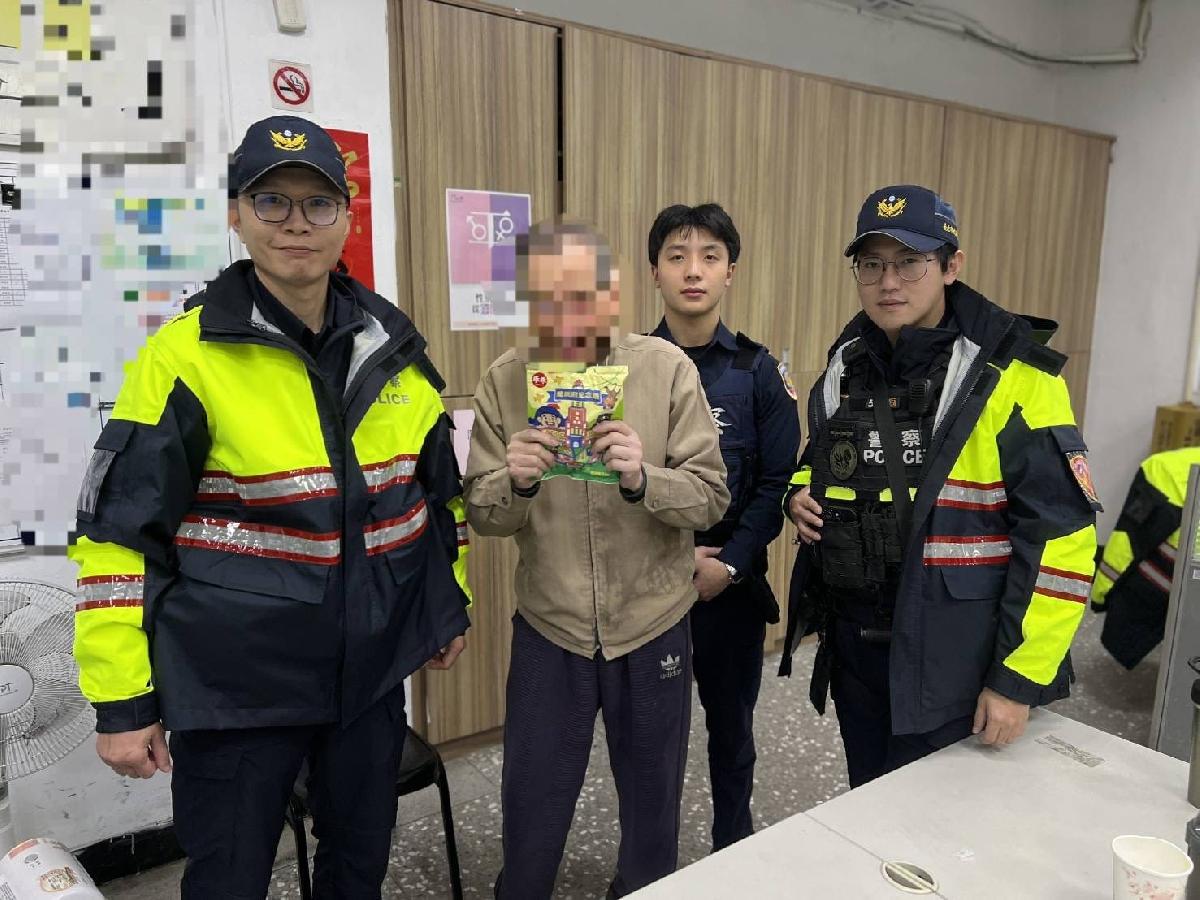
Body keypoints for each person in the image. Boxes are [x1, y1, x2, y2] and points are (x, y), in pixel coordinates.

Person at [68, 115, 471, 897]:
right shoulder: (185, 357)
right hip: (236, 689)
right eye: (270, 201)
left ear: (346, 217)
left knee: (358, 869)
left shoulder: (391, 346)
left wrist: (446, 604)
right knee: (229, 881)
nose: (295, 223)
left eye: (317, 203)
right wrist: (121, 700)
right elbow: (117, 537)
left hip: (368, 680)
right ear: (236, 214)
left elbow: (434, 499)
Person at [780, 185, 1100, 789]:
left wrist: (1017, 680)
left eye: (910, 262)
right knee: (869, 801)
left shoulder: (1015, 376)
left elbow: (1063, 542)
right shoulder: (845, 363)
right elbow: (823, 457)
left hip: (958, 658)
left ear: (952, 266)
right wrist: (797, 492)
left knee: (949, 822)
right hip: (856, 647)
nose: (888, 282)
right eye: (871, 264)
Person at [464, 219, 729, 899]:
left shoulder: (665, 368)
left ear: (612, 291)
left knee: (653, 803)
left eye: (583, 290)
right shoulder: (505, 380)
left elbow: (710, 498)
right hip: (550, 626)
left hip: (652, 621)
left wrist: (644, 478)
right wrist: (515, 481)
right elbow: (484, 516)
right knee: (530, 805)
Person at [645, 203, 799, 850]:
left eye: (710, 257)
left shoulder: (758, 373)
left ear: (730, 271)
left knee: (731, 736)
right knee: (647, 742)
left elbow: (776, 483)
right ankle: (647, 864)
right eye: (677, 256)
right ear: (655, 271)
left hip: (729, 591)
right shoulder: (624, 370)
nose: (693, 271)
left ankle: (733, 852)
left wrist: (729, 564)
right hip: (649, 591)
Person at [1091, 446, 1200, 668]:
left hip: (1158, 602)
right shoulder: (1168, 470)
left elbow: (1126, 545)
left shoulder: (1168, 468)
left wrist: (1101, 595)